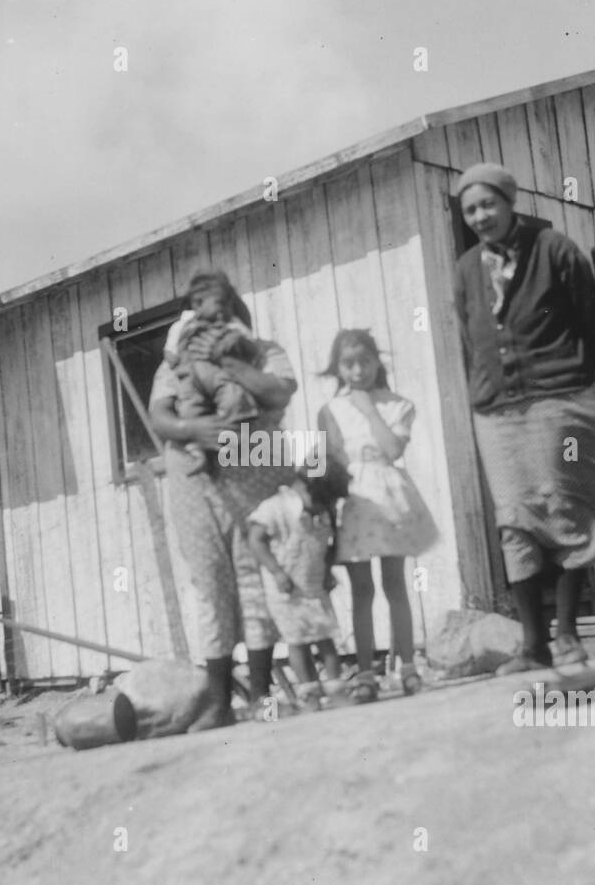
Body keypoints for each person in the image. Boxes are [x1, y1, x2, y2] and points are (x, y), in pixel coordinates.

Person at [453, 161, 595, 674]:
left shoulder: (555, 250)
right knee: (514, 519)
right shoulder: (467, 268)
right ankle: (531, 646)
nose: (481, 216)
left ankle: (568, 636)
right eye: (470, 210)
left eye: (489, 204)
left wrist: (574, 379)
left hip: (559, 401)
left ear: (511, 203)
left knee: (565, 510)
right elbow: (470, 339)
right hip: (498, 412)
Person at [148, 269, 297, 728]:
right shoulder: (178, 358)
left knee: (253, 579)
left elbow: (279, 392)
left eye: (223, 304)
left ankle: (261, 691)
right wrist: (193, 429)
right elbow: (160, 415)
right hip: (194, 476)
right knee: (210, 582)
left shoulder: (263, 350)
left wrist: (231, 364)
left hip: (251, 467)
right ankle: (216, 700)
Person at [317, 329, 439, 704]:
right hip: (355, 501)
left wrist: (368, 408)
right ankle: (367, 674)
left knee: (395, 585)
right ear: (337, 368)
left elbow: (391, 449)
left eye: (364, 361)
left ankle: (406, 667)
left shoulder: (397, 404)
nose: (358, 371)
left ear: (376, 361)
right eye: (348, 363)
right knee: (362, 590)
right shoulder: (331, 411)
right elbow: (330, 464)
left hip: (389, 500)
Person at [247, 461, 351, 712]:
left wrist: (328, 571)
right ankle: (309, 692)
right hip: (286, 587)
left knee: (325, 636)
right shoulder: (276, 508)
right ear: (302, 487)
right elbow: (255, 539)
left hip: (314, 582)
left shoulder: (324, 507)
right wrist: (276, 571)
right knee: (297, 640)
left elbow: (332, 543)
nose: (321, 507)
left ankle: (336, 690)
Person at [163, 287, 262, 473]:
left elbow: (247, 339)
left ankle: (235, 445)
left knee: (233, 399)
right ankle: (197, 453)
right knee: (190, 410)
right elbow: (169, 351)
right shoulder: (181, 325)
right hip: (192, 380)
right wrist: (176, 362)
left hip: (220, 376)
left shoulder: (229, 322)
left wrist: (235, 344)